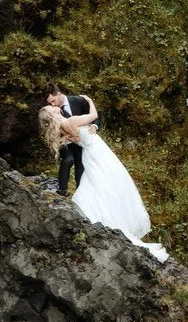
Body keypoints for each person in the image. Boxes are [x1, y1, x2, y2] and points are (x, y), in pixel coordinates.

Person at [38, 97, 169, 263]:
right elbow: (93, 115)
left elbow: (74, 137)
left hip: (90, 152)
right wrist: (90, 100)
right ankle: (106, 215)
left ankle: (98, 211)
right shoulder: (71, 120)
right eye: (51, 108)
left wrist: (75, 137)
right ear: (53, 114)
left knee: (96, 181)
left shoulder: (63, 127)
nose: (53, 106)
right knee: (106, 180)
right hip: (98, 151)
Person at [44, 83, 99, 196]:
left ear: (59, 94)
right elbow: (53, 127)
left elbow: (94, 115)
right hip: (64, 141)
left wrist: (95, 126)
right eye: (50, 103)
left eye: (53, 101)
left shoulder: (79, 100)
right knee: (68, 160)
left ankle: (80, 191)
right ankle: (62, 190)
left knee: (80, 163)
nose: (53, 105)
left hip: (82, 140)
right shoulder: (52, 110)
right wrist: (68, 137)